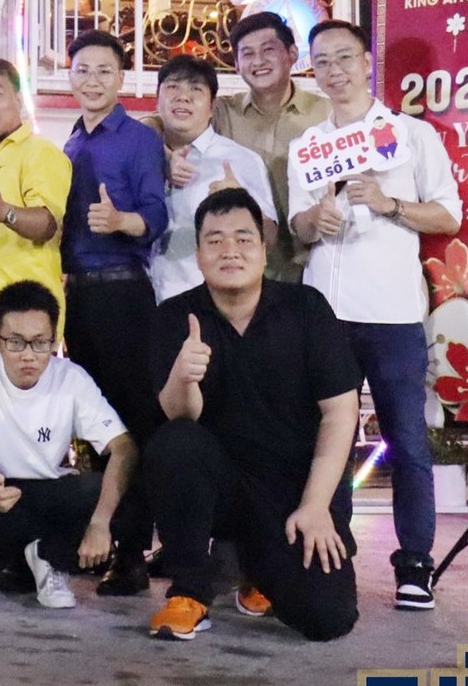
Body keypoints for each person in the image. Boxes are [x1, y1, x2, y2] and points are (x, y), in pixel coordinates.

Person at [287, 19, 460, 610]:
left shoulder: (411, 135)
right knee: (324, 440)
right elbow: (296, 225)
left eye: (344, 58)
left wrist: (389, 205)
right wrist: (313, 221)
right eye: (322, 62)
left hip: (392, 314)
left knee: (406, 440)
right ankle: (329, 557)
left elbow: (449, 215)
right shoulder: (308, 145)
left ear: (367, 63)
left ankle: (415, 564)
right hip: (323, 315)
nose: (334, 71)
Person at [144, 188, 361, 642]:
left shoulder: (307, 310)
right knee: (174, 443)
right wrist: (184, 376)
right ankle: (190, 592)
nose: (230, 251)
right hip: (222, 486)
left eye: (243, 239)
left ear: (264, 250)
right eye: (215, 240)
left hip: (293, 492)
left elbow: (341, 413)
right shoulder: (175, 316)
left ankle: (259, 572)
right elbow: (179, 417)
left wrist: (316, 505)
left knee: (328, 618)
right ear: (199, 255)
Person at [0, 281, 135, 616]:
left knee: (121, 493)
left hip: (49, 496)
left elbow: (124, 448)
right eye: (16, 342)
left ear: (55, 342)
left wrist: (100, 523)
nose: (28, 355)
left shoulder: (71, 378)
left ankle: (49, 558)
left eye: (40, 343)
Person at [57, 31, 167, 595]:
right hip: (79, 300)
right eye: (83, 69)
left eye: (104, 70)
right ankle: (101, 538)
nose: (93, 80)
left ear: (122, 78)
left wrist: (122, 222)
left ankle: (132, 553)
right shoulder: (71, 142)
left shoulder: (139, 139)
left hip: (124, 296)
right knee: (93, 424)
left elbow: (157, 214)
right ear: (70, 76)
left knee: (131, 424)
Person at [0, 58, 70, 352]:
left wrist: (4, 212)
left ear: (18, 100)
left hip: (25, 324)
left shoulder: (40, 152)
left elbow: (47, 224)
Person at [213, 12, 329, 280]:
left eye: (268, 50)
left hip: (312, 267)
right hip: (242, 269)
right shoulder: (222, 112)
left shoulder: (326, 114)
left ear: (292, 54)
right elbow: (166, 122)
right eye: (247, 54)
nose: (258, 61)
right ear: (237, 64)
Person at [153, 55, 276, 301]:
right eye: (173, 86)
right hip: (144, 299)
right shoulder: (141, 155)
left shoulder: (239, 159)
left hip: (209, 300)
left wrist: (241, 201)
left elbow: (270, 238)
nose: (183, 97)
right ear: (157, 100)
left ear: (212, 107)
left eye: (195, 89)